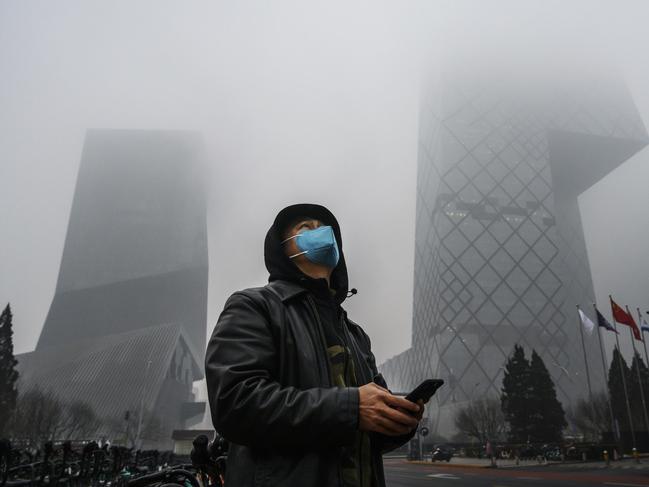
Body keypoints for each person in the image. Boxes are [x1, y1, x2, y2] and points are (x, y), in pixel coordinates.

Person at [205, 203, 427, 487]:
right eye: (305, 228)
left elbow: (365, 432)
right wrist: (351, 407)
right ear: (283, 249)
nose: (320, 233)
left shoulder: (354, 334)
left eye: (325, 229)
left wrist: (398, 421)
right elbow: (235, 403)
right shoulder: (255, 307)